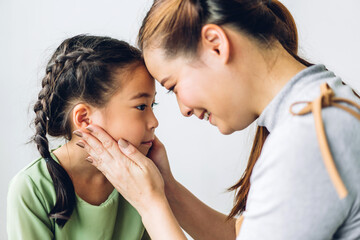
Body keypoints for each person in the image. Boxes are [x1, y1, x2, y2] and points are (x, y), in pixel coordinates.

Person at [75, 0, 360, 239]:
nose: (183, 109)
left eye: (173, 86)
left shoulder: (308, 141)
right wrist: (166, 188)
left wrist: (149, 203)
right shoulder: (324, 105)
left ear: (216, 44)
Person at [7, 34, 156, 239]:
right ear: (84, 118)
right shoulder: (32, 189)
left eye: (152, 105)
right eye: (141, 106)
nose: (154, 122)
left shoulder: (141, 176)